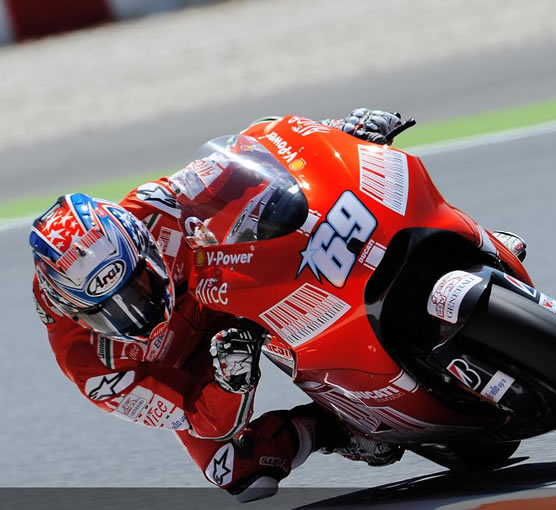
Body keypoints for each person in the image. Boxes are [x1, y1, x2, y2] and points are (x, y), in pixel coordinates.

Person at [29, 108, 527, 502]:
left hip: (225, 285)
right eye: (109, 309)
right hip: (194, 366)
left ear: (137, 239)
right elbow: (196, 418)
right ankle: (338, 430)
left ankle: (466, 240)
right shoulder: (91, 368)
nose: (136, 311)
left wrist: (339, 132)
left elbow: (258, 148)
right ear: (69, 306)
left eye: (137, 284)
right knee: (236, 472)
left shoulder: (154, 205)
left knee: (326, 216)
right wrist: (229, 381)